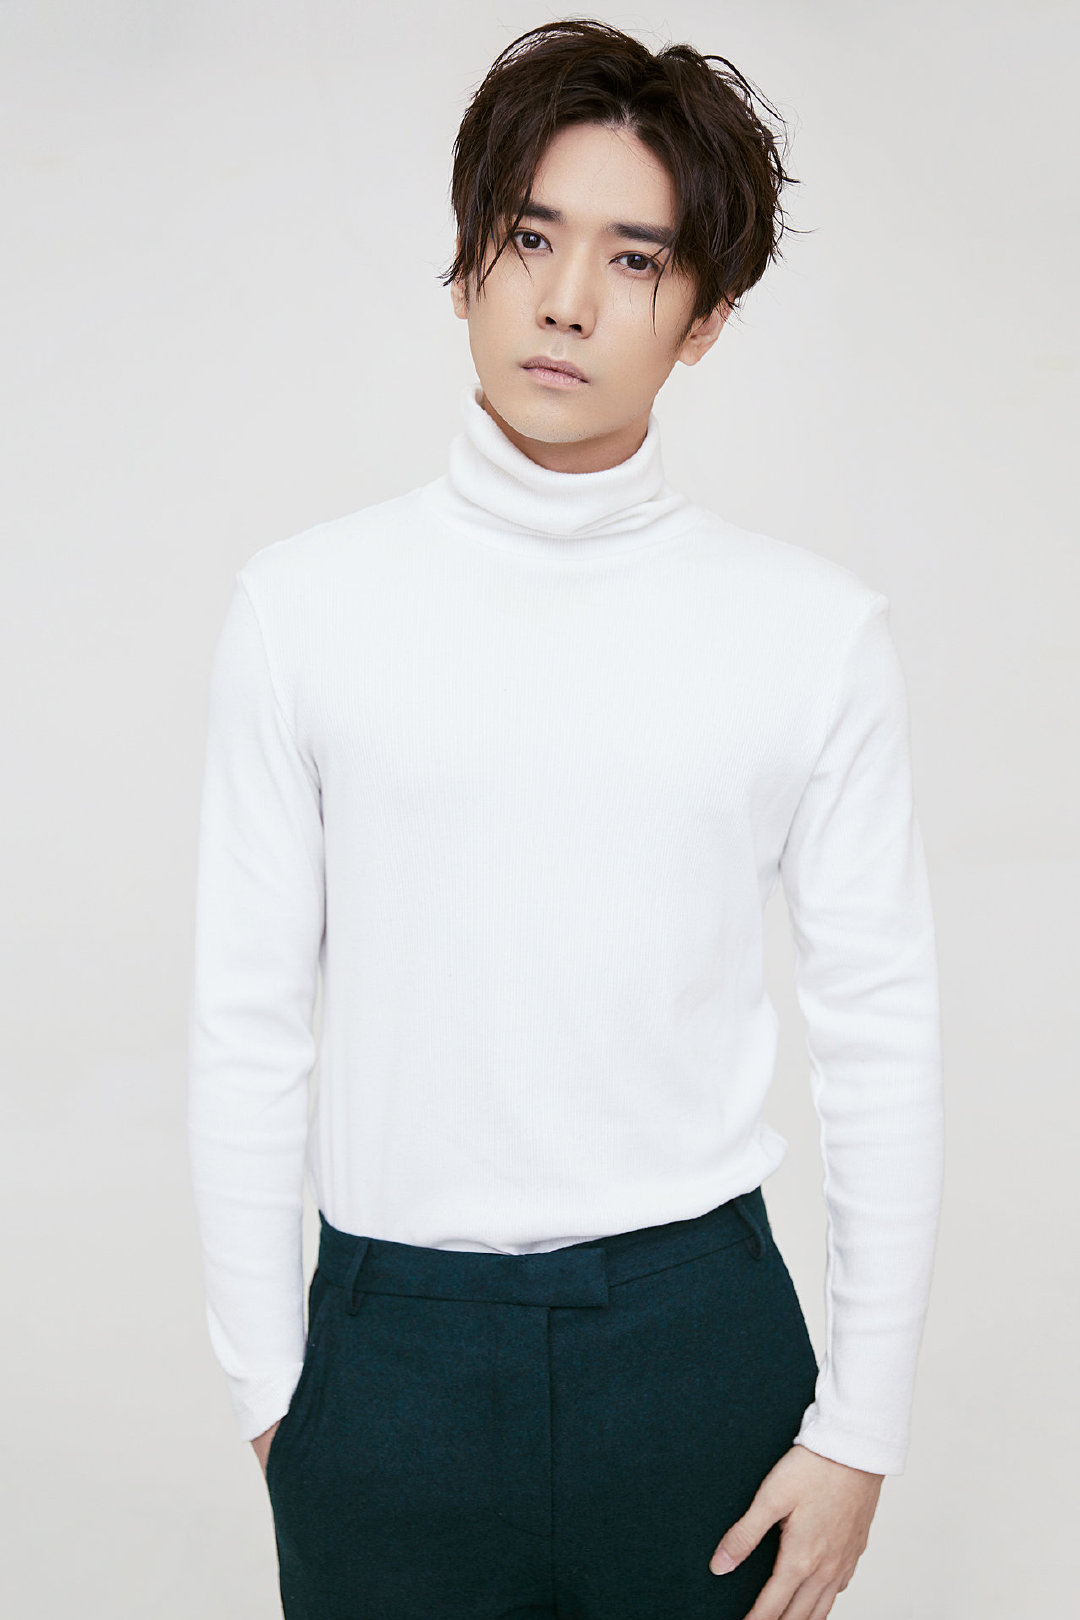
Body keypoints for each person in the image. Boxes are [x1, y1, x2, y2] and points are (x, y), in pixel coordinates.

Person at [187, 18, 945, 1620]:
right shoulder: (304, 611)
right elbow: (245, 1021)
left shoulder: (811, 636)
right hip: (386, 1351)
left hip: (697, 1346)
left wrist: (860, 1427)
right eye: (531, 237)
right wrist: (275, 1392)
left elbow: (881, 1033)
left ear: (706, 316)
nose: (567, 298)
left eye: (635, 258)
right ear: (470, 256)